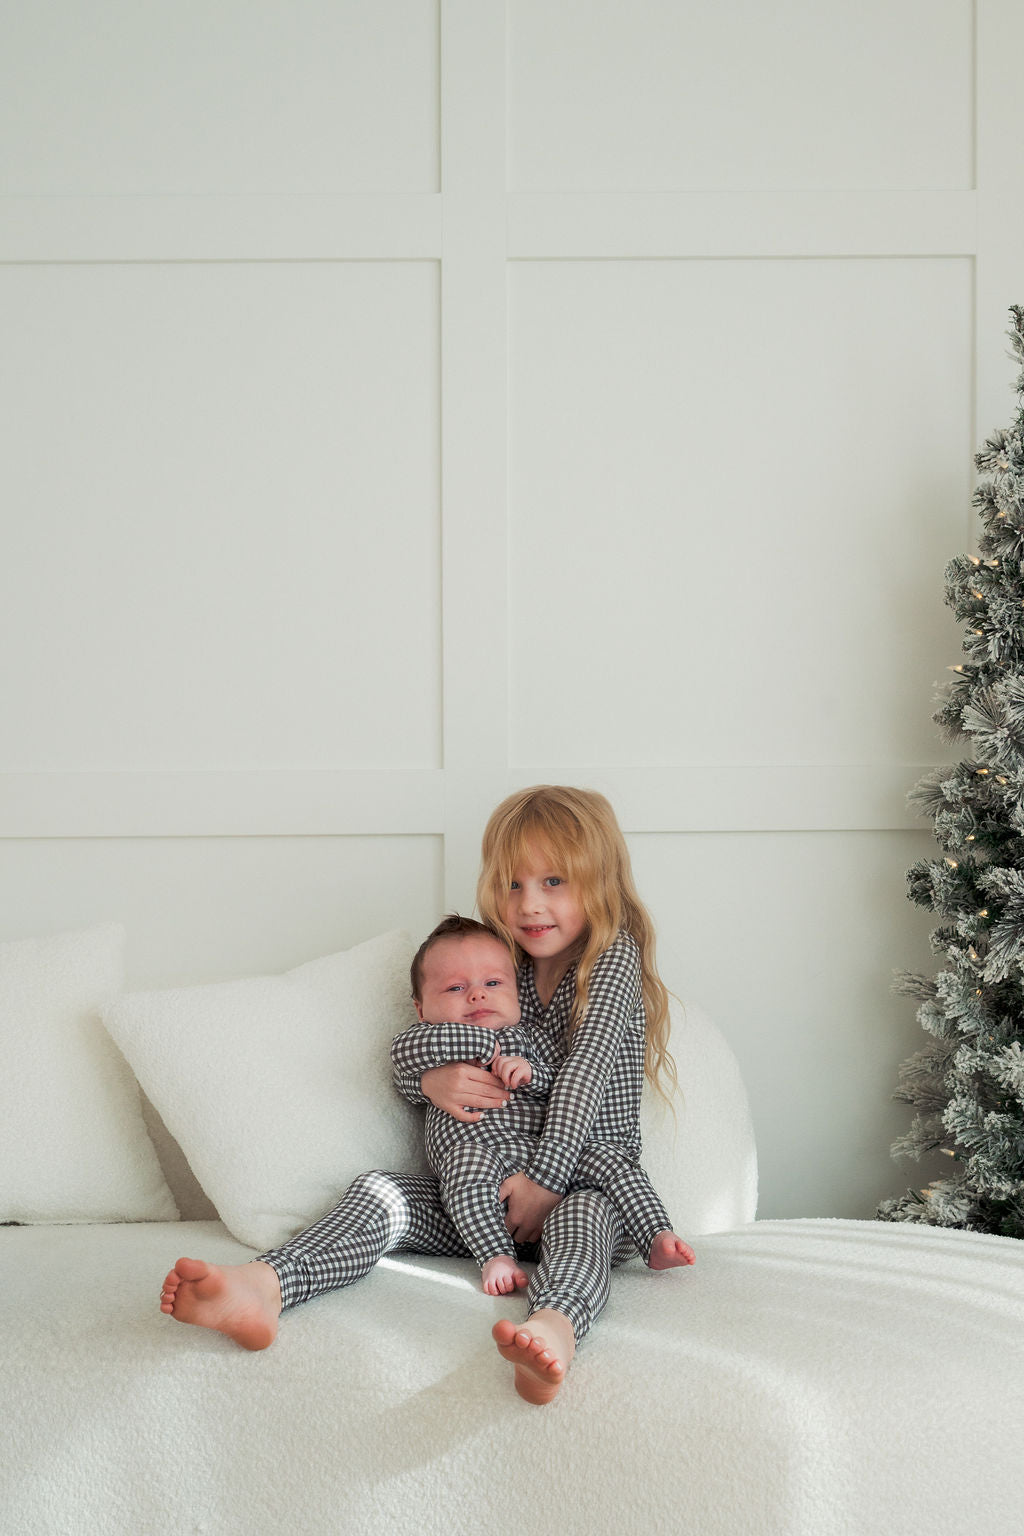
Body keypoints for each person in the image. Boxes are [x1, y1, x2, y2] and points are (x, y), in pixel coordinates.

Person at [159, 785, 694, 1405]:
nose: (529, 904)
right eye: (513, 884)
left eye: (553, 882)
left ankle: (554, 1327)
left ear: (598, 883)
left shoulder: (609, 959)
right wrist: (429, 1081)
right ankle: (265, 1287)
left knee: (586, 1218)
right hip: (482, 1202)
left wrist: (544, 1181)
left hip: (582, 1184)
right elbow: (421, 1043)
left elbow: (582, 1077)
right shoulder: (502, 961)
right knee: (377, 1192)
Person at [396, 912, 691, 1299]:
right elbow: (401, 1059)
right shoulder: (424, 1038)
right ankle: (496, 1256)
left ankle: (655, 1233)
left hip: (542, 1162)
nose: (477, 995)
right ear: (421, 1009)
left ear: (515, 991)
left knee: (609, 1160)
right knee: (464, 1164)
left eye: (492, 983)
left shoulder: (531, 1038)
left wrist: (530, 1073)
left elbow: (564, 1079)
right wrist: (468, 1055)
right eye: (455, 988)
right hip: (483, 1161)